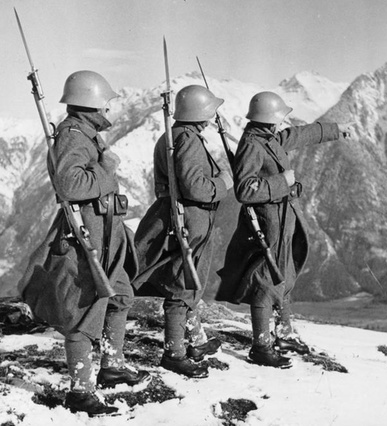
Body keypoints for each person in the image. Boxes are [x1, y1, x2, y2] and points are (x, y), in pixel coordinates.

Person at [18, 70, 149, 417]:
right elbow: (70, 185)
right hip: (88, 236)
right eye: (105, 102)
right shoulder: (73, 136)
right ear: (92, 102)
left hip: (106, 233)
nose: (109, 108)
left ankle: (112, 365)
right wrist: (106, 169)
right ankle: (80, 391)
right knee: (84, 313)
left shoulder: (86, 134)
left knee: (120, 294)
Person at [216, 91, 352, 369]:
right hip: (269, 222)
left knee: (284, 276)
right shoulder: (253, 144)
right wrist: (283, 180)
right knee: (267, 281)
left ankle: (284, 335)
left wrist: (335, 130)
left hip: (282, 217)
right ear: (268, 120)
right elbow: (244, 190)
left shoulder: (267, 138)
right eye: (278, 118)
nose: (282, 123)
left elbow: (298, 135)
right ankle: (261, 347)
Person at [132, 85, 233, 379]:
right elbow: (195, 187)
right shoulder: (187, 140)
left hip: (180, 218)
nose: (212, 116)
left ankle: (195, 342)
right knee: (182, 285)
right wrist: (223, 183)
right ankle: (174, 354)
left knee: (189, 281)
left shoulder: (173, 135)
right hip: (189, 219)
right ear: (200, 112)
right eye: (209, 111)